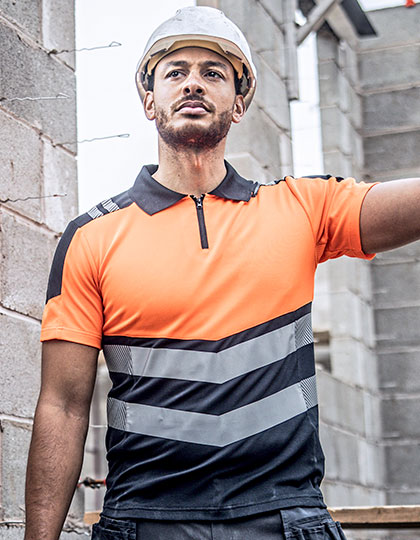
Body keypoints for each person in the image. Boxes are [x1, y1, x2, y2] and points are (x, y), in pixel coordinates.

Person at [24, 6, 420, 540]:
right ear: (149, 100)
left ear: (238, 104)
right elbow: (63, 407)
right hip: (146, 520)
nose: (193, 83)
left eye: (213, 73)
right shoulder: (91, 237)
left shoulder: (302, 209)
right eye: (176, 72)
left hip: (283, 517)